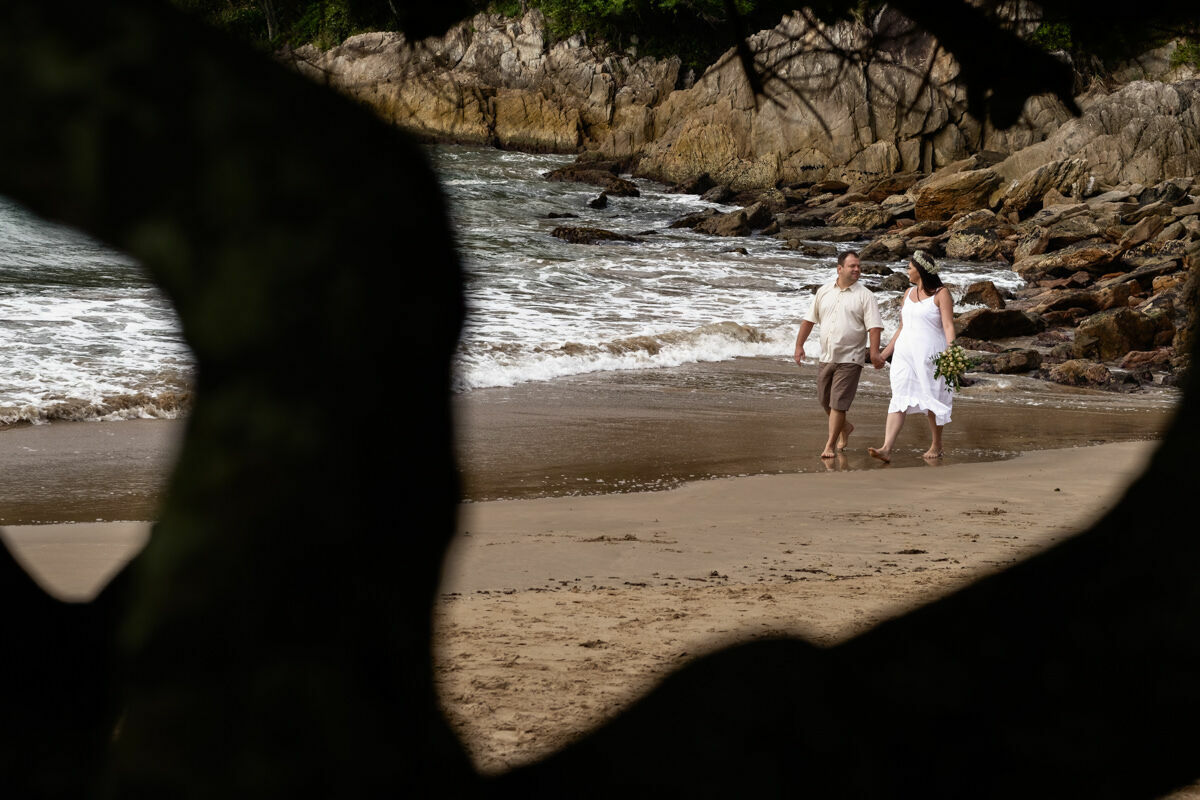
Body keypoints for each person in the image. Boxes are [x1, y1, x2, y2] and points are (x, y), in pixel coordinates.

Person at [794, 250, 885, 459]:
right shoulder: (824, 291)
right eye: (852, 266)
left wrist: (873, 353)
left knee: (838, 403)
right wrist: (799, 345)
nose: (857, 270)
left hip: (851, 358)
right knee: (824, 400)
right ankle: (845, 427)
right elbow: (809, 320)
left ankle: (830, 445)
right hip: (826, 356)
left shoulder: (865, 295)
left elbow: (874, 327)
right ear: (840, 269)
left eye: (858, 266)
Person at [868, 250, 956, 463]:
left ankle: (936, 444)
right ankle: (886, 448)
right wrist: (883, 355)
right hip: (904, 355)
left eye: (909, 267)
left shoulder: (941, 294)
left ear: (921, 269)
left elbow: (948, 325)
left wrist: (950, 351)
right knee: (899, 397)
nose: (907, 270)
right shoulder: (907, 293)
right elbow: (901, 328)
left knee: (933, 397)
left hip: (930, 355)